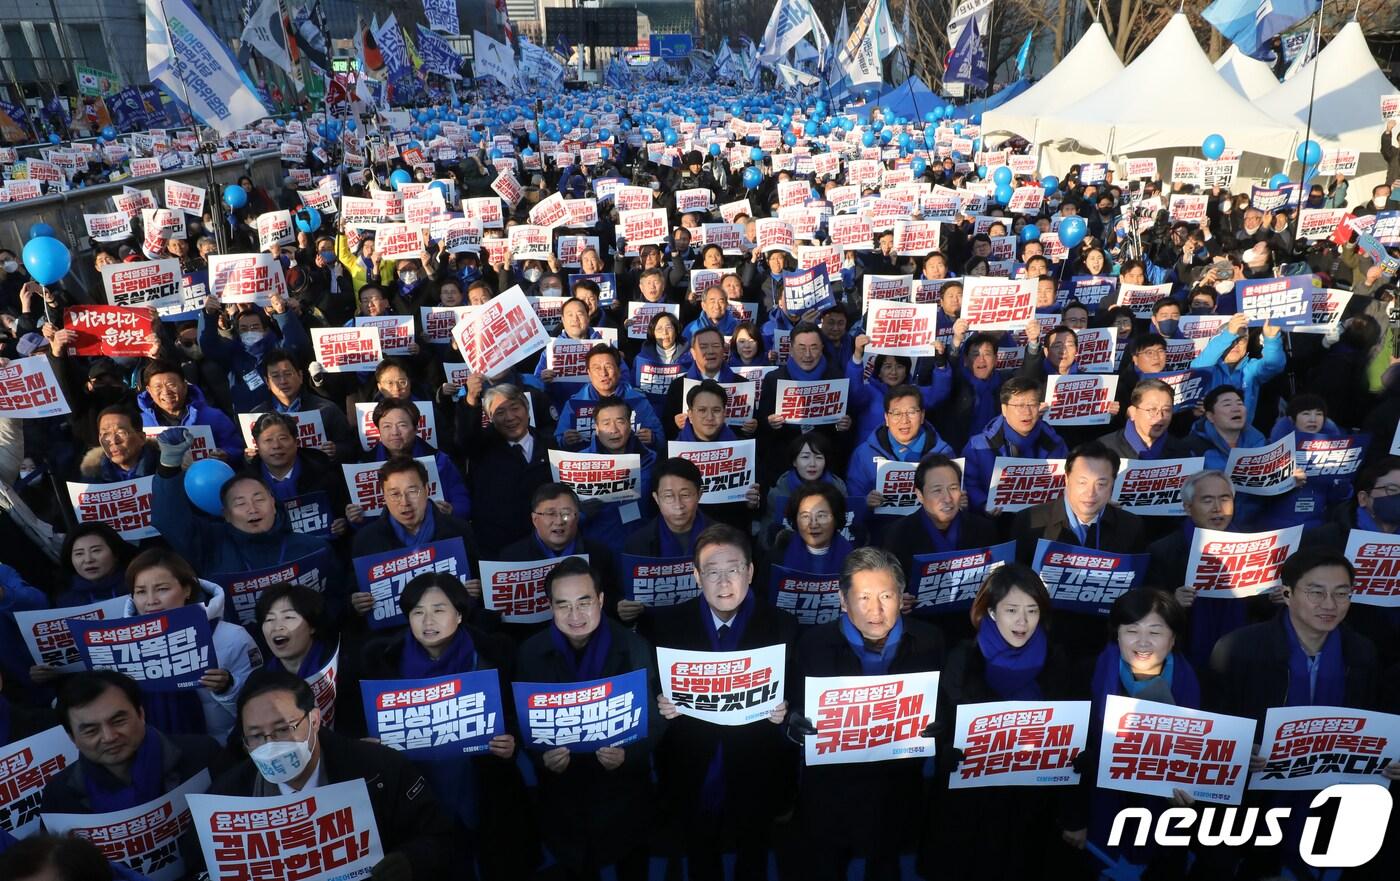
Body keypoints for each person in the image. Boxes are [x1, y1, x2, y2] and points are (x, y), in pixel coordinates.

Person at [207, 669, 461, 881]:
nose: (270, 744)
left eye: (283, 729)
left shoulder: (379, 768)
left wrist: (410, 861)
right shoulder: (226, 797)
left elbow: (441, 838)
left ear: (314, 720)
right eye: (256, 735)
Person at [652, 524, 798, 881]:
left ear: (750, 571)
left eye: (732, 570)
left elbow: (797, 696)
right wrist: (661, 703)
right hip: (693, 758)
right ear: (696, 576)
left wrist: (786, 709)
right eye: (712, 572)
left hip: (757, 758)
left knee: (754, 851)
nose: (723, 582)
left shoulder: (782, 625)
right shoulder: (667, 625)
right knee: (700, 853)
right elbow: (653, 688)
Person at [361, 573, 529, 879]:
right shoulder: (380, 661)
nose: (428, 621)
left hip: (483, 782)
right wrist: (370, 749)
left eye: (439, 610)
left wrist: (511, 740)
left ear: (460, 613)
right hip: (419, 791)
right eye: (417, 612)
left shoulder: (495, 653)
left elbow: (519, 714)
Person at [794, 547, 945, 881]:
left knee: (887, 866)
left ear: (902, 596)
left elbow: (946, 706)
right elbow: (789, 710)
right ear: (843, 600)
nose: (876, 610)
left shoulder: (930, 641)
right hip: (831, 792)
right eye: (863, 597)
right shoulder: (812, 645)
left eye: (887, 596)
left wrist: (941, 726)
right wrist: (795, 727)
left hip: (897, 787)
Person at [514, 557, 661, 881]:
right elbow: (522, 725)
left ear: (601, 600)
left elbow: (656, 718)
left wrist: (629, 754)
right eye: (563, 605)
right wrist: (541, 757)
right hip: (564, 792)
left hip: (623, 787)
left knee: (632, 864)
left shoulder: (635, 647)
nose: (575, 615)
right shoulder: (529, 653)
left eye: (584, 602)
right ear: (550, 606)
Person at [928, 564, 1076, 880]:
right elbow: (947, 722)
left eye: (1032, 611)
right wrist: (946, 751)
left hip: (1033, 800)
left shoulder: (1057, 658)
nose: (1022, 621)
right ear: (992, 612)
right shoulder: (963, 658)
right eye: (1012, 610)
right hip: (972, 804)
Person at [1063, 590, 1201, 876]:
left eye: (1155, 631)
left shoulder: (1197, 681)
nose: (1142, 642)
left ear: (1173, 638)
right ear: (1117, 635)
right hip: (1099, 817)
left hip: (1165, 826)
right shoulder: (1085, 675)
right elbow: (1068, 750)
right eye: (1131, 630)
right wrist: (1074, 818)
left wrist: (1192, 792)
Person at [151, 428, 347, 615]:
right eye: (240, 503)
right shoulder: (210, 547)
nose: (252, 509)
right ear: (225, 514)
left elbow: (337, 599)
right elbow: (170, 520)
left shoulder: (314, 548)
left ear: (273, 502)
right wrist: (169, 466)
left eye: (259, 499)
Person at [122, 549, 262, 743]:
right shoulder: (122, 646)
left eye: (162, 589)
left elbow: (261, 707)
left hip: (224, 751)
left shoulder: (232, 637)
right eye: (140, 592)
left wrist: (228, 687)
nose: (151, 601)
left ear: (187, 590)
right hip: (154, 755)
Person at [39, 670, 224, 815]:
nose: (109, 737)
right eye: (91, 730)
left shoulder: (204, 756)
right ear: (72, 737)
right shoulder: (59, 795)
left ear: (141, 714)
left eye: (118, 721)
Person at [348, 457, 482, 612]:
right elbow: (351, 592)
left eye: (412, 491)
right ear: (384, 496)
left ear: (427, 490)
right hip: (392, 634)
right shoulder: (366, 539)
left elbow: (480, 582)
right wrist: (355, 603)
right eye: (394, 494)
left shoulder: (459, 530)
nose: (404, 502)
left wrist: (478, 589)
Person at [881, 454, 1001, 619]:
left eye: (953, 488)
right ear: (920, 495)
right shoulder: (897, 534)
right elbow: (886, 588)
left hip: (972, 621)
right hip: (920, 625)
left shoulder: (984, 529)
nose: (947, 498)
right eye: (937, 490)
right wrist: (898, 599)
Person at [455, 382, 556, 551]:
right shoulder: (481, 447)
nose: (510, 417)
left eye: (515, 408)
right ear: (490, 417)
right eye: (500, 412)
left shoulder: (550, 445)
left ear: (527, 409)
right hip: (499, 548)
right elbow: (465, 439)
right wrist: (471, 400)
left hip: (544, 543)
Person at [846, 383, 953, 535]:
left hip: (930, 534)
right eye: (896, 413)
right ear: (886, 418)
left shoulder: (944, 453)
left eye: (911, 412)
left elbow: (957, 496)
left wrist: (959, 502)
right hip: (882, 537)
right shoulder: (864, 454)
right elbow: (852, 505)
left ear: (922, 415)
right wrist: (866, 503)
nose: (904, 420)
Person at [756, 322, 853, 484]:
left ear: (822, 348)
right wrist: (769, 424)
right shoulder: (773, 380)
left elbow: (846, 432)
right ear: (791, 350)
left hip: (825, 466)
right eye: (801, 347)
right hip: (784, 466)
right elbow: (761, 428)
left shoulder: (837, 378)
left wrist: (843, 426)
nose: (808, 354)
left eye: (814, 347)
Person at [962, 376, 1069, 515]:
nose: (1027, 412)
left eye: (1032, 404)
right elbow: (969, 484)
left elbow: (1067, 482)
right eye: (1019, 405)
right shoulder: (978, 446)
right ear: (1004, 409)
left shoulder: (1055, 443)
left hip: (1043, 519)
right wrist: (983, 503)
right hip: (995, 522)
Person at [362, 397, 471, 520]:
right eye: (387, 426)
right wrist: (357, 518)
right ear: (378, 430)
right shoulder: (364, 465)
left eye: (402, 425)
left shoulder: (440, 460)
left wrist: (452, 510)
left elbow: (463, 502)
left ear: (416, 428)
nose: (395, 432)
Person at [555, 345, 664, 455]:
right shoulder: (574, 404)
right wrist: (565, 441)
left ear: (619, 370)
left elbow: (661, 440)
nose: (603, 373)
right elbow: (558, 443)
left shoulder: (638, 400)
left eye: (609, 367)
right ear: (589, 373)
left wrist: (653, 438)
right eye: (597, 368)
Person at [250, 348, 356, 459]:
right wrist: (249, 457)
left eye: (288, 374)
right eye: (276, 376)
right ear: (267, 382)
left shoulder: (327, 409)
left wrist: (336, 449)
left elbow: (351, 447)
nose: (283, 381)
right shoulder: (256, 415)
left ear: (300, 376)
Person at [135, 360, 243, 459]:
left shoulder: (213, 417)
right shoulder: (140, 423)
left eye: (171, 385)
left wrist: (226, 454)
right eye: (158, 387)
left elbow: (236, 447)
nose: (166, 392)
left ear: (184, 386)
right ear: (149, 390)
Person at [1096, 378, 1193, 460]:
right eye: (1152, 409)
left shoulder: (1183, 452)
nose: (1160, 417)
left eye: (1166, 410)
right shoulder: (1104, 448)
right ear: (1133, 412)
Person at [51, 522, 134, 607]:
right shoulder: (65, 599)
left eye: (96, 551)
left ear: (116, 554)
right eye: (79, 553)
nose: (88, 560)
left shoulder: (136, 586)